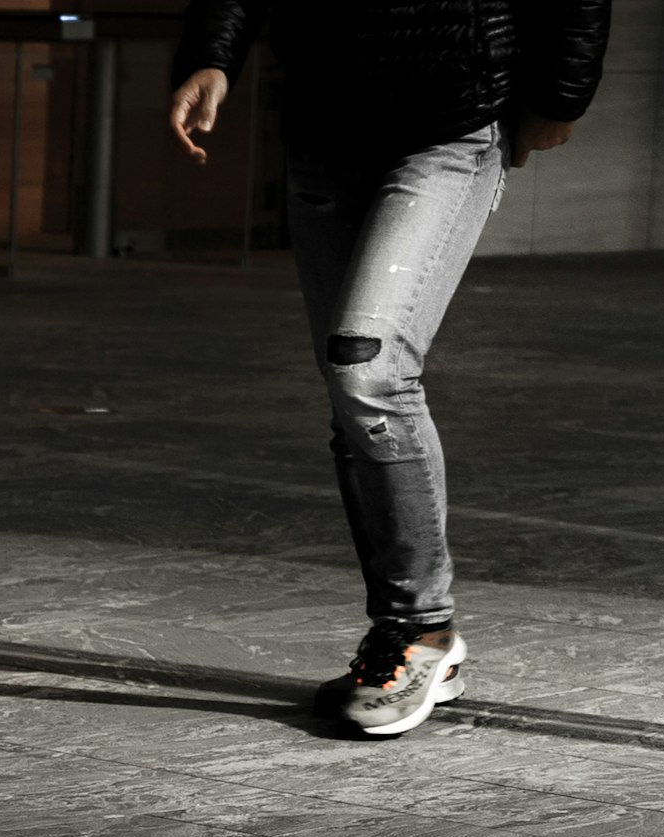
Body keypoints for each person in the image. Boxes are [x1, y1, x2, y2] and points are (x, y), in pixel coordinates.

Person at [167, 0, 612, 737]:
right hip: (322, 126)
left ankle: (421, 631)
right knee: (353, 399)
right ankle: (408, 630)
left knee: (367, 372)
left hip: (448, 125)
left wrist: (561, 92)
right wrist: (212, 55)